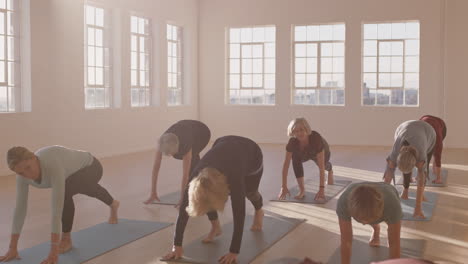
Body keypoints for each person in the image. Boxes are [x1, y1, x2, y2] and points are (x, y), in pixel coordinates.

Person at [0, 146, 119, 264]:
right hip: (71, 174)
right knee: (86, 188)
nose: (27, 175)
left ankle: (66, 239)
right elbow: (20, 210)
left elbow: (56, 210)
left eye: (28, 168)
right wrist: (12, 247)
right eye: (21, 172)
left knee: (69, 192)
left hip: (91, 167)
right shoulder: (22, 177)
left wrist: (53, 252)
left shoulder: (52, 165)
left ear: (34, 158)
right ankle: (113, 204)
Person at [163, 136, 264, 264]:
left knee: (250, 192)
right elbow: (184, 209)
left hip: (252, 155)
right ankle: (216, 227)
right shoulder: (196, 174)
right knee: (206, 195)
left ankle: (259, 210)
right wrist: (176, 246)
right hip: (223, 143)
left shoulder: (235, 175)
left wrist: (234, 251)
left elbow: (239, 212)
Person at [144, 120, 211, 207]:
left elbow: (185, 175)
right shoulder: (162, 142)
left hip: (202, 132)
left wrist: (182, 199)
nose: (171, 156)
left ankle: (202, 189)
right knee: (187, 159)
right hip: (186, 129)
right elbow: (155, 168)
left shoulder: (186, 144)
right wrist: (153, 192)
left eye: (172, 153)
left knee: (192, 164)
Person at [336, 182, 402, 264]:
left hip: (388, 190)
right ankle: (376, 228)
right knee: (367, 216)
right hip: (356, 192)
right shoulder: (343, 202)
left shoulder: (392, 205)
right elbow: (346, 241)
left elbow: (394, 243)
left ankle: (375, 226)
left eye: (368, 221)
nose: (364, 224)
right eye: (360, 220)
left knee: (373, 218)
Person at [383, 120, 436, 219]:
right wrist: (383, 203)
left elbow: (421, 178)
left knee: (424, 169)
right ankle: (405, 191)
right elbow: (387, 178)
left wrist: (418, 208)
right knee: (392, 167)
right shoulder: (395, 153)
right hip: (403, 127)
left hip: (428, 131)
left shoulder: (421, 156)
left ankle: (421, 195)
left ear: (416, 162)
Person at [278, 118, 334, 201]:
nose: (299, 133)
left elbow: (321, 167)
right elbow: (286, 165)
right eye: (296, 131)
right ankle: (302, 190)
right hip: (305, 153)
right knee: (295, 159)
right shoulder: (292, 143)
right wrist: (283, 186)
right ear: (293, 132)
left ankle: (330, 170)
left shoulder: (316, 138)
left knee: (323, 165)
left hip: (321, 149)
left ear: (306, 129)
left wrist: (321, 189)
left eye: (301, 130)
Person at [419, 115, 447, 184]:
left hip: (441, 125)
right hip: (424, 119)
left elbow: (438, 157)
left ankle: (437, 173)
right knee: (423, 153)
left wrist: (438, 178)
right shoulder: (419, 135)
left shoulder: (438, 138)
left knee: (436, 154)